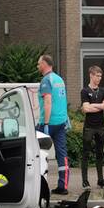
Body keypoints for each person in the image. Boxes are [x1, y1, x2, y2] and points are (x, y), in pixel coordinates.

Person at [36, 54, 70, 195]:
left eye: (39, 63)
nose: (38, 66)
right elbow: (62, 100)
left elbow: (48, 101)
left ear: (45, 64)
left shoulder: (46, 80)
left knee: (36, 154)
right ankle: (63, 186)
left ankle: (37, 186)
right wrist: (66, 118)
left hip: (48, 122)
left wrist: (46, 123)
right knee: (62, 154)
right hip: (61, 122)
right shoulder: (59, 79)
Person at [79, 65, 104, 189]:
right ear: (91, 75)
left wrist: (93, 105)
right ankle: (85, 181)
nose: (99, 78)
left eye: (100, 76)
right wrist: (100, 105)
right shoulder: (85, 91)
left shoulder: (103, 90)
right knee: (86, 153)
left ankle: (100, 180)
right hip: (89, 127)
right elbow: (86, 109)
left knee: (100, 153)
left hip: (101, 126)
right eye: (97, 76)